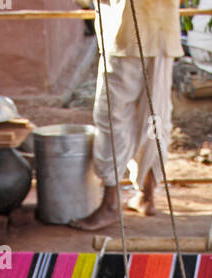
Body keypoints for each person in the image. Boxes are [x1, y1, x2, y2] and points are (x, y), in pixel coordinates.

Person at [70, 0, 182, 231]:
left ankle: (111, 203)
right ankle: (147, 195)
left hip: (126, 34)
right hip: (163, 34)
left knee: (112, 116)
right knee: (156, 116)